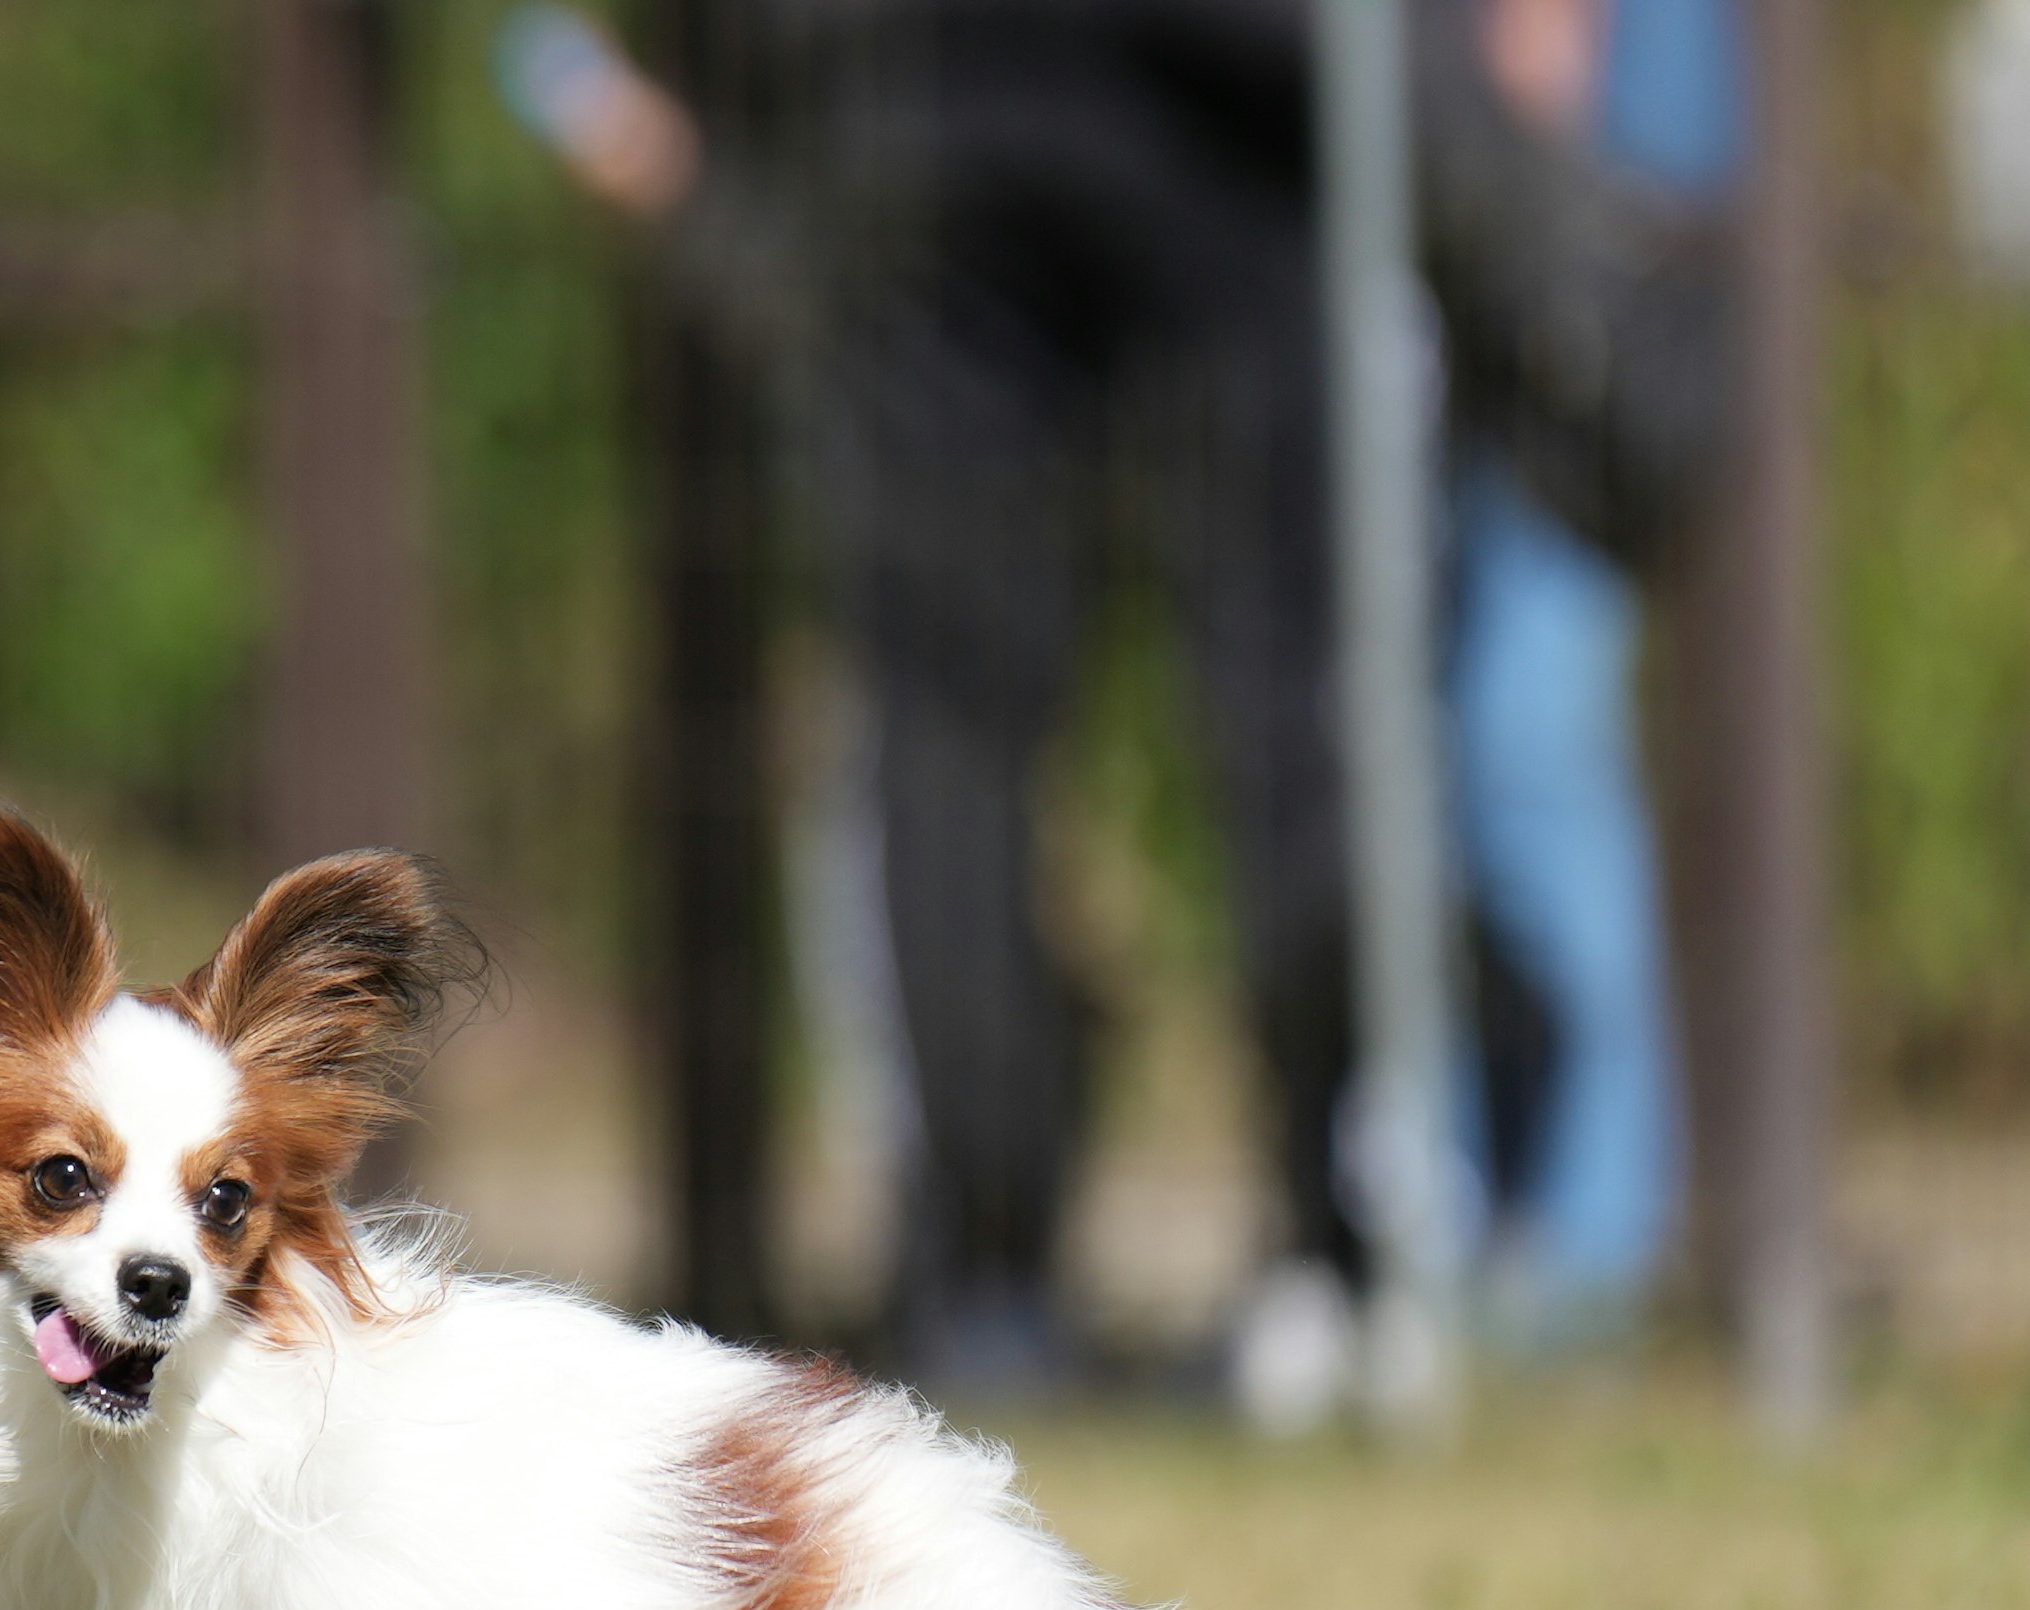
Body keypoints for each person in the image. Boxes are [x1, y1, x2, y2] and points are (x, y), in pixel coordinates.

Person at [506, 0, 1730, 1415]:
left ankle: (987, 1280)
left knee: (956, 721)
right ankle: (1330, 1244)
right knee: (1295, 692)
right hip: (1231, 94)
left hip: (927, 105)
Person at [1448, 0, 1738, 1354]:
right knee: (1464, 766)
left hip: (1578, 238)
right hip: (1494, 239)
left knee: (1527, 744)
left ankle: (1592, 1241)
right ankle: (1483, 1213)